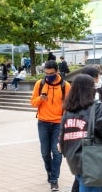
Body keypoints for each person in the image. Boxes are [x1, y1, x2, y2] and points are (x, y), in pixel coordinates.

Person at [59, 74, 102, 192]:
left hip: (74, 160)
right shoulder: (97, 108)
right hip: (93, 161)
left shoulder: (68, 109)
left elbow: (62, 136)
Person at [30, 60, 71, 191]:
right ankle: (49, 171)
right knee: (45, 153)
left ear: (57, 71)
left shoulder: (66, 86)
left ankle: (54, 179)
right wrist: (40, 99)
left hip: (59, 123)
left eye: (51, 73)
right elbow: (33, 103)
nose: (48, 76)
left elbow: (69, 106)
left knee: (57, 152)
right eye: (46, 73)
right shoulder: (40, 84)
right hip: (43, 123)